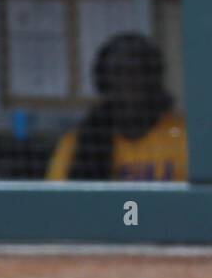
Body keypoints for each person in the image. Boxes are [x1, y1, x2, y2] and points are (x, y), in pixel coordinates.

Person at [46, 33, 187, 182]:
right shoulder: (76, 144)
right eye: (119, 72)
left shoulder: (182, 136)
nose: (130, 82)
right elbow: (58, 202)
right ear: (104, 82)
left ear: (155, 78)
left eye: (139, 71)